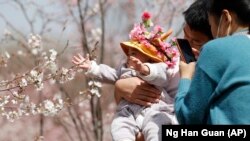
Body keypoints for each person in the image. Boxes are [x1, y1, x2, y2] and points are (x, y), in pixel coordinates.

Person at [72, 12, 180, 141]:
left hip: (154, 109)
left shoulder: (156, 68)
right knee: (119, 125)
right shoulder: (123, 69)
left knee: (156, 127)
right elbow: (109, 73)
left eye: (134, 52)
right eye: (128, 53)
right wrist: (92, 67)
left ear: (150, 58)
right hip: (128, 112)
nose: (129, 56)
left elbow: (162, 74)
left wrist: (144, 69)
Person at [175, 0, 250, 124]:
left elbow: (188, 117)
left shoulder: (215, 48)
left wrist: (186, 77)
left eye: (211, 25)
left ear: (225, 18)